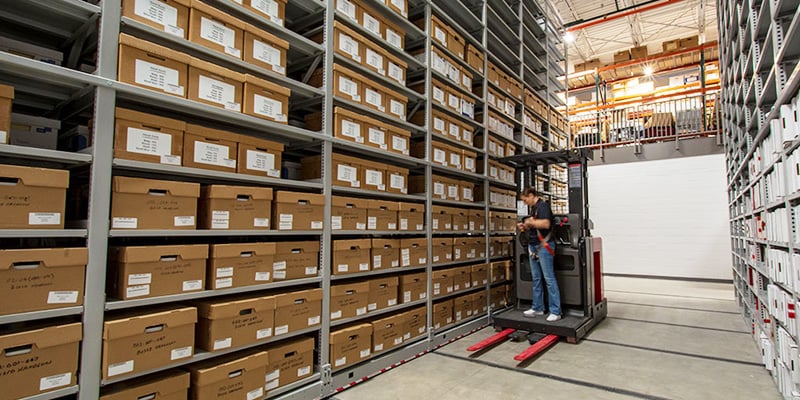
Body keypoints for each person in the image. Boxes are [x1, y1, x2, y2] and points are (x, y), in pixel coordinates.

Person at [517, 187, 561, 322]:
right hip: (534, 246)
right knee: (536, 278)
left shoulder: (543, 206)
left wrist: (531, 222)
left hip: (544, 246)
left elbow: (546, 224)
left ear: (531, 195)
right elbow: (536, 225)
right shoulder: (534, 209)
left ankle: (556, 311)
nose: (525, 203)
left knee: (549, 278)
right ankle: (538, 307)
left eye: (525, 200)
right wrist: (525, 226)